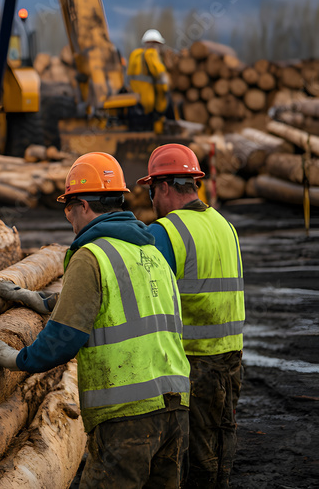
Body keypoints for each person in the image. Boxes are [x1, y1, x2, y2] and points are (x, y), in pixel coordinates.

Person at [0, 151, 190, 489]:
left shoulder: (92, 255)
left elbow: (64, 338)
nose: (68, 217)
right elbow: (124, 304)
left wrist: (15, 358)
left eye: (68, 207)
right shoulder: (151, 252)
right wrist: (46, 301)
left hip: (127, 415)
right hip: (176, 407)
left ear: (84, 206)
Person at [139, 143, 244, 489]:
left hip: (193, 363)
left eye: (152, 190)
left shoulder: (166, 232)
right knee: (221, 443)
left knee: (194, 460)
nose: (152, 200)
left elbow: (142, 298)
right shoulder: (224, 225)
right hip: (231, 358)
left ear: (165, 187)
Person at [127, 29, 171, 130]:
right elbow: (162, 85)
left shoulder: (135, 55)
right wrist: (161, 108)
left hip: (134, 105)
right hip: (149, 107)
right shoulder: (151, 55)